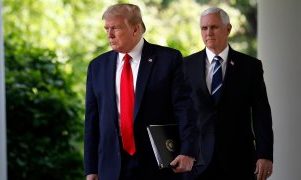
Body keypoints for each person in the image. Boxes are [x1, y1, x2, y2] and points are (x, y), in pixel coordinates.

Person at [84, 3, 200, 180]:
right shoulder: (97, 67)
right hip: (112, 165)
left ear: (136, 29)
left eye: (115, 28)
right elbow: (92, 122)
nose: (109, 34)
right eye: (107, 28)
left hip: (159, 163)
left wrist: (188, 151)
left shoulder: (169, 59)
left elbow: (184, 109)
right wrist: (91, 169)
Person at [183, 7, 274, 180]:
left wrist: (264, 154)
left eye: (214, 27)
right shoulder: (186, 65)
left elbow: (261, 113)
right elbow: (178, 111)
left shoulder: (250, 66)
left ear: (228, 29)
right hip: (196, 160)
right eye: (204, 28)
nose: (208, 32)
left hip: (239, 160)